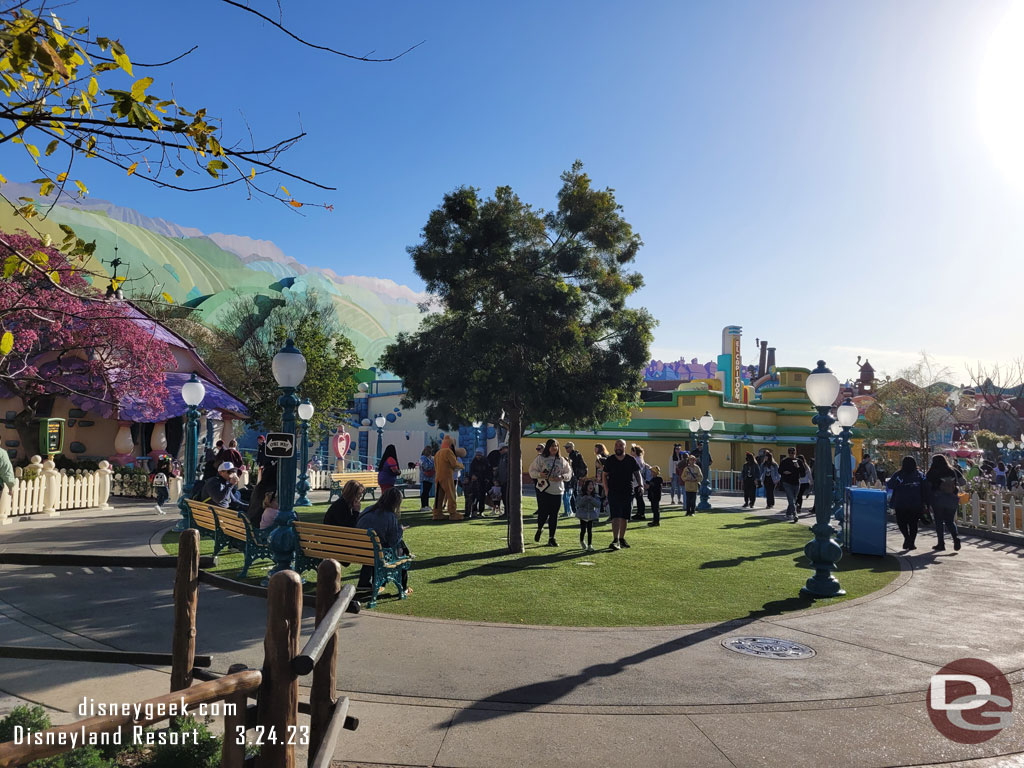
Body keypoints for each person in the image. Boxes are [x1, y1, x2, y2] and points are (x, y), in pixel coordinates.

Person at [356, 487, 411, 596]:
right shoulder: (390, 516)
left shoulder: (369, 509)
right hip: (377, 552)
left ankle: (364, 582)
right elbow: (393, 541)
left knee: (374, 545)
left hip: (360, 549)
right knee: (403, 551)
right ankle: (403, 587)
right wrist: (400, 530)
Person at [529, 438, 573, 546]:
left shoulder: (562, 460)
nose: (554, 448)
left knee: (554, 515)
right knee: (543, 513)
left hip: (557, 491)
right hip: (544, 489)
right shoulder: (541, 458)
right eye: (552, 446)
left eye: (556, 446)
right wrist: (540, 475)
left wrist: (562, 477)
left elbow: (569, 473)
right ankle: (540, 528)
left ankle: (551, 538)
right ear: (548, 447)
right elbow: (532, 471)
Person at [602, 439, 643, 549]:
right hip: (613, 492)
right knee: (615, 516)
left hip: (628, 492)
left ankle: (622, 539)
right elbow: (604, 475)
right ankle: (615, 540)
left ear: (625, 447)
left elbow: (637, 473)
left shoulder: (631, 460)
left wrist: (641, 485)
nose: (618, 447)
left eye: (620, 445)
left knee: (625, 517)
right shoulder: (610, 460)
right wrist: (606, 489)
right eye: (616, 445)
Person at [887, 456, 927, 550]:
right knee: (913, 524)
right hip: (915, 503)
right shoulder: (919, 475)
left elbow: (890, 485)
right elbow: (925, 487)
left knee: (901, 523)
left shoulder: (898, 474)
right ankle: (911, 542)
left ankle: (907, 538)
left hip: (901, 502)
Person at [926, 454, 964, 552]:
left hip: (937, 499)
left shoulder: (932, 472)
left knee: (939, 521)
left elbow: (927, 486)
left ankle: (941, 544)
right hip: (952, 499)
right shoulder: (953, 471)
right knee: (950, 521)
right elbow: (963, 482)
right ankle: (956, 538)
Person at [432, 436, 464, 521]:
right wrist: (461, 466)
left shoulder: (437, 453)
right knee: (451, 495)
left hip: (438, 476)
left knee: (439, 496)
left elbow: (435, 465)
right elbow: (454, 464)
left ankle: (437, 513)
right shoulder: (448, 452)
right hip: (447, 476)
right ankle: (453, 513)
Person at [576, 479, 601, 551]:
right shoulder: (581, 495)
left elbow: (598, 505)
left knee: (590, 530)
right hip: (583, 515)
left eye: (592, 485)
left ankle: (590, 545)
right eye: (589, 485)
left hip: (591, 515)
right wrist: (584, 498)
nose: (591, 486)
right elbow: (578, 504)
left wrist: (591, 499)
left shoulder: (595, 495)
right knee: (583, 530)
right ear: (586, 486)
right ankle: (582, 541)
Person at [779, 448, 802, 522]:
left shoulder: (799, 461)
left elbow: (803, 473)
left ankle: (788, 513)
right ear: (788, 453)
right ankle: (795, 515)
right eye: (790, 452)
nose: (792, 454)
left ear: (795, 452)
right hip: (787, 482)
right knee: (791, 499)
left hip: (796, 482)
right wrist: (784, 472)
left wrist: (798, 467)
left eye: (793, 452)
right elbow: (779, 470)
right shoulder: (785, 461)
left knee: (793, 500)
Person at [630, 444, 649, 521]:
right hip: (639, 481)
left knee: (639, 498)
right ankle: (640, 513)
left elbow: (637, 471)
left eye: (631, 451)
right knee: (639, 498)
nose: (630, 453)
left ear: (634, 451)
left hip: (637, 482)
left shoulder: (636, 460)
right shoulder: (640, 459)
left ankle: (641, 514)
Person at [469, 448, 490, 518]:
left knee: (482, 497)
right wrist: (472, 476)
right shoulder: (473, 462)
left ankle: (481, 511)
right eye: (477, 455)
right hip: (475, 482)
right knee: (475, 497)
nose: (478, 456)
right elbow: (471, 471)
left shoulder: (485, 461)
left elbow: (488, 471)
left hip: (483, 482)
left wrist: (487, 479)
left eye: (479, 455)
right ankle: (474, 511)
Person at [418, 446, 435, 512]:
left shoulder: (431, 458)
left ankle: (427, 505)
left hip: (430, 478)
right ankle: (423, 505)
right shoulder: (422, 458)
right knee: (424, 492)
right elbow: (426, 466)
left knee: (427, 492)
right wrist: (433, 466)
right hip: (425, 477)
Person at [593, 443, 609, 515]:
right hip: (599, 479)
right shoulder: (598, 457)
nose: (594, 450)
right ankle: (602, 508)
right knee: (600, 495)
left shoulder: (603, 458)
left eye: (596, 448)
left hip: (602, 481)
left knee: (602, 495)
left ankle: (602, 509)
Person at [495, 443, 510, 517]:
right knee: (504, 497)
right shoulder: (501, 457)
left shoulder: (508, 456)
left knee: (508, 497)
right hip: (502, 481)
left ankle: (509, 512)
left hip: (508, 480)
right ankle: (506, 512)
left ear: (505, 448)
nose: (500, 451)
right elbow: (499, 469)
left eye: (501, 449)